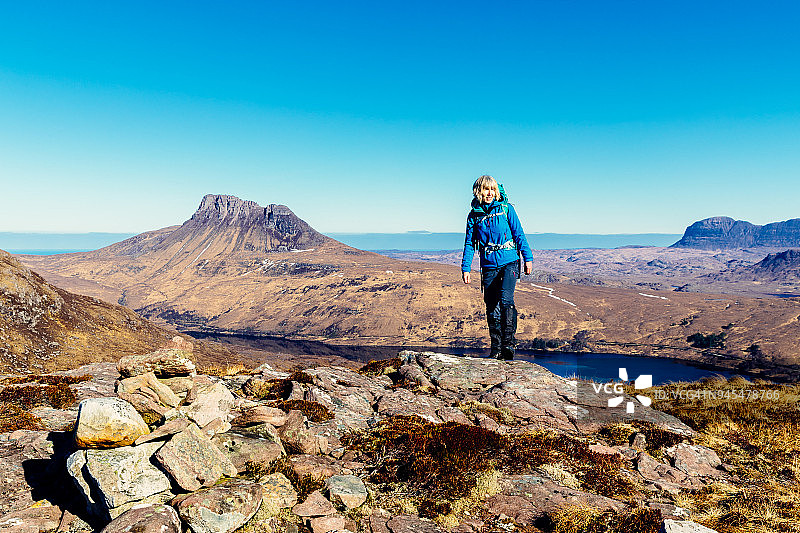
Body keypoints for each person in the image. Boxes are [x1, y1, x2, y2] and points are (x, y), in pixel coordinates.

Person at [461, 175, 533, 360]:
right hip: (488, 265)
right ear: (478, 191)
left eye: (493, 190)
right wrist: (466, 267)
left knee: (506, 300)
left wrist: (527, 258)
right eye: (486, 189)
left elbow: (519, 234)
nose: (490, 193)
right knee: (491, 306)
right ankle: (496, 349)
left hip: (509, 261)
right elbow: (469, 243)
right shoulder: (474, 216)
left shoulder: (506, 209)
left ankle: (508, 346)